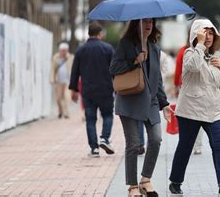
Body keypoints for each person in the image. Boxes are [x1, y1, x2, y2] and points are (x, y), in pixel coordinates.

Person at [169, 19, 220, 196]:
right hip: (191, 109)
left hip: (214, 109)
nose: (208, 37)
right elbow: (193, 66)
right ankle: (175, 182)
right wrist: (200, 45)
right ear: (196, 35)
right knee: (185, 147)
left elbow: (218, 83)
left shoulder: (216, 56)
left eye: (211, 33)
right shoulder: (189, 53)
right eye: (204, 33)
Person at [110, 18, 174, 197]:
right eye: (144, 22)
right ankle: (132, 186)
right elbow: (113, 68)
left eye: (151, 22)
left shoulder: (154, 48)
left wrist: (165, 104)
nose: (148, 25)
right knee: (134, 144)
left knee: (156, 139)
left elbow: (158, 79)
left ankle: (145, 180)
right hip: (130, 99)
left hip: (151, 101)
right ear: (135, 24)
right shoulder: (126, 44)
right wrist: (134, 61)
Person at [69, 22, 116, 157]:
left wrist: (74, 90)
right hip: (105, 89)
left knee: (90, 119)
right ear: (100, 33)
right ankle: (105, 138)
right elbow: (114, 69)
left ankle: (94, 148)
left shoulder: (80, 50)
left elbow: (75, 71)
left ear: (88, 34)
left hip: (88, 90)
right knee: (107, 115)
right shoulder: (108, 49)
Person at [174, 37, 204, 155]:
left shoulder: (183, 50)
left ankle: (186, 143)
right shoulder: (204, 51)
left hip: (185, 88)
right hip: (200, 88)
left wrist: (177, 85)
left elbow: (178, 70)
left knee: (185, 117)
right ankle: (197, 146)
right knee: (200, 116)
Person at [50, 42, 74, 119]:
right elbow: (52, 69)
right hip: (59, 81)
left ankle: (67, 113)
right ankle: (61, 111)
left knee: (67, 97)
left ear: (67, 50)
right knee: (58, 98)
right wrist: (52, 78)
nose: (63, 52)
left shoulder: (70, 57)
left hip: (68, 80)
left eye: (65, 50)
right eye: (62, 50)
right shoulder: (55, 58)